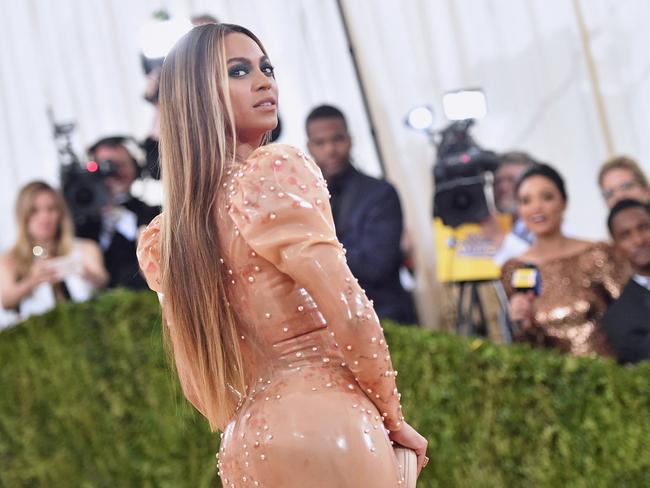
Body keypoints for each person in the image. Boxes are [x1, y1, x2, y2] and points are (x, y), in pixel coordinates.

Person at [136, 23, 427, 487]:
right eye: (238, 70)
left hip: (244, 438)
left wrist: (256, 409)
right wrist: (393, 418)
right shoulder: (272, 172)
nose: (263, 80)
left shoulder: (164, 237)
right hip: (330, 419)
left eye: (265, 67)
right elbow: (350, 311)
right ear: (197, 97)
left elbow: (196, 383)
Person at [305, 105, 417, 324]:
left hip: (386, 319)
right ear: (309, 147)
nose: (330, 149)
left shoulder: (380, 193)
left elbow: (377, 266)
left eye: (337, 139)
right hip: (331, 323)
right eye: (320, 143)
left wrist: (316, 251)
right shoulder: (304, 199)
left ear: (350, 139)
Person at [500, 164, 627, 356]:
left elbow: (630, 315)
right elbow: (524, 345)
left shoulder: (597, 254)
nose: (536, 207)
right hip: (554, 380)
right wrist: (520, 322)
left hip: (611, 374)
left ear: (564, 202)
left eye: (547, 197)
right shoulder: (517, 269)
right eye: (526, 201)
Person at [0, 181, 108, 322]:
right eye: (34, 211)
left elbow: (103, 281)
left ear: (61, 213)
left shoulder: (85, 248)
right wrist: (32, 281)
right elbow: (6, 301)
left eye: (51, 209)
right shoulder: (11, 259)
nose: (45, 217)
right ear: (23, 215)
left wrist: (83, 272)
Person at [87, 136, 160, 289]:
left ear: (135, 167)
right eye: (104, 166)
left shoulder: (153, 214)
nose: (112, 173)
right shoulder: (85, 222)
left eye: (119, 165)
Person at [602, 200, 650, 363]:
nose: (639, 240)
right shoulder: (619, 316)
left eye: (644, 227)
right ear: (616, 248)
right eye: (625, 235)